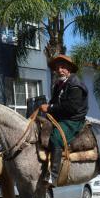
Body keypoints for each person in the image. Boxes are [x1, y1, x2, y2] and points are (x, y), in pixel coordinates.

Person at [39, 54, 88, 186]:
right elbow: (54, 102)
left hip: (73, 120)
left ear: (69, 69)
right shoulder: (58, 85)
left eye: (63, 67)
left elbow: (71, 108)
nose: (59, 70)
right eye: (57, 68)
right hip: (60, 118)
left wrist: (49, 107)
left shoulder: (76, 85)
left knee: (56, 138)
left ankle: (53, 176)